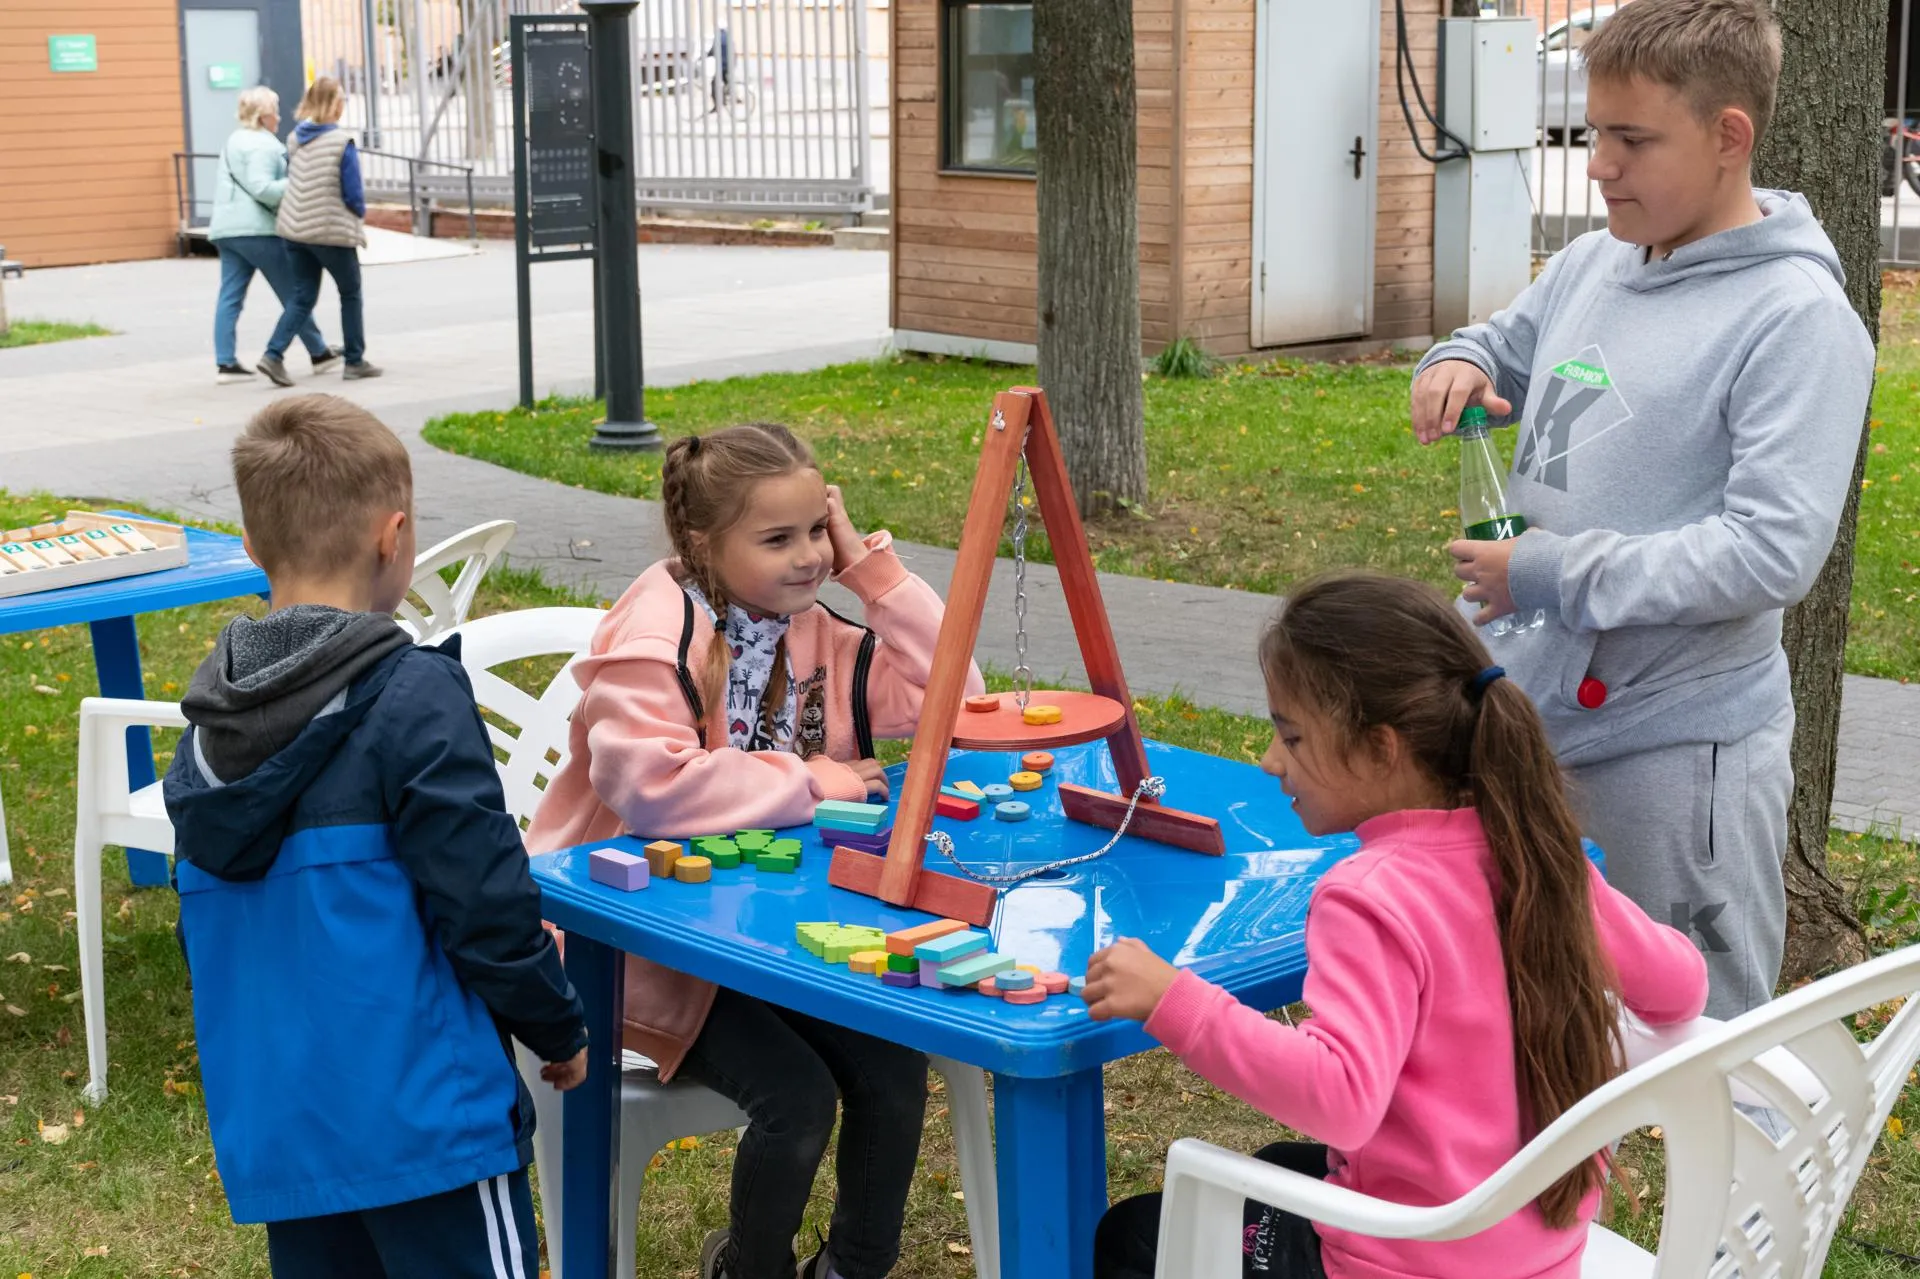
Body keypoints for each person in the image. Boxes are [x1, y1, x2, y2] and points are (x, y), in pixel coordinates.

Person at [1407, 0, 1875, 1016]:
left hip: (1676, 757)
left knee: (1698, 1039)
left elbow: (1770, 554)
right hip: (1530, 724)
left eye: (1631, 140)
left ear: (1728, 136)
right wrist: (1459, 359)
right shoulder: (1594, 263)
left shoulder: (1797, 321)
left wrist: (1546, 572)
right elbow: (1506, 341)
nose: (1600, 165)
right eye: (1590, 134)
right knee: (1541, 1021)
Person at [1082, 573, 1709, 1279]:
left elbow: (1340, 1098)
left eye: (1291, 735)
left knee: (1134, 1236)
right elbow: (1682, 985)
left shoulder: (1369, 896)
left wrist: (1174, 999)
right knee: (1271, 1171)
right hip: (1533, 1250)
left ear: (1382, 749)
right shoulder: (1540, 854)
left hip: (1409, 1261)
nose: (1270, 760)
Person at [524, 422, 982, 1279]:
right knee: (798, 1099)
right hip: (628, 947)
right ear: (703, 541)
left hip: (760, 935)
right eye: (779, 538)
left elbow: (956, 702)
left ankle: (849, 1270)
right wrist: (812, 777)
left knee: (891, 1073)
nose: (808, 556)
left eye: (818, 530)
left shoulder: (815, 624)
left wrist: (871, 569)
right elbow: (648, 783)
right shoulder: (658, 624)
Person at [163, 394, 587, 1277]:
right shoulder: (414, 694)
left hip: (286, 1130)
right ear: (393, 538)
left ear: (250, 548)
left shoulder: (205, 730)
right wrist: (556, 1022)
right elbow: (483, 896)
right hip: (428, 1121)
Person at [258, 76, 383, 386]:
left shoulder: (294, 138)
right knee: (350, 293)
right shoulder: (342, 142)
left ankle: (273, 355)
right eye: (341, 99)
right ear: (334, 104)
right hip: (330, 230)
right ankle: (354, 360)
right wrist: (357, 217)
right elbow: (352, 193)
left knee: (302, 296)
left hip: (295, 230)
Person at [208, 86, 335, 384]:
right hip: (258, 231)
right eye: (275, 111)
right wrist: (297, 183)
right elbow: (262, 188)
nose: (279, 117)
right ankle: (316, 352)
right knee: (295, 293)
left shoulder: (234, 141)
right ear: (264, 116)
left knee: (230, 295)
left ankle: (226, 363)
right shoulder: (261, 145)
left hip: (227, 229)